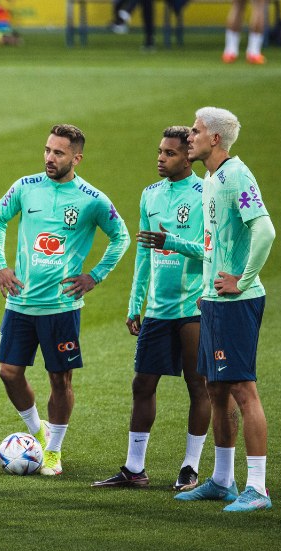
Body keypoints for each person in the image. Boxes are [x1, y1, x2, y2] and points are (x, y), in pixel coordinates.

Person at [140, 107, 276, 511]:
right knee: (216, 390)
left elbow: (265, 229)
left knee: (242, 390)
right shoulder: (215, 178)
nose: (190, 137)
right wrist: (178, 246)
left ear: (214, 139)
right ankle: (221, 480)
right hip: (213, 301)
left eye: (196, 131)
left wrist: (243, 279)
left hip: (236, 301)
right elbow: (213, 246)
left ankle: (258, 488)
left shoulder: (236, 176)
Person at [0, 124, 130, 477]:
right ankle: (38, 430)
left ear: (76, 158)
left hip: (61, 307)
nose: (50, 158)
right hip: (20, 302)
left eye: (59, 153)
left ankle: (52, 451)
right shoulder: (25, 187)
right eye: (48, 150)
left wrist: (94, 276)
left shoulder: (92, 199)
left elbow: (121, 237)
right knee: (8, 373)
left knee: (60, 380)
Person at [92, 126, 211, 490]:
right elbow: (144, 254)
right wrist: (134, 304)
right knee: (142, 384)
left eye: (170, 153)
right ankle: (134, 468)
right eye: (160, 152)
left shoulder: (207, 194)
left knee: (198, 386)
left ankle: (190, 467)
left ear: (188, 155)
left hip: (193, 306)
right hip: (158, 310)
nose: (161, 158)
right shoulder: (150, 195)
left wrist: (171, 241)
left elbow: (211, 250)